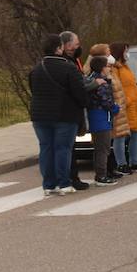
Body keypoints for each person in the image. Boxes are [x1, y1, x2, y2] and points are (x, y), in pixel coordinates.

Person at [27, 34, 88, 196]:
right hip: (64, 115)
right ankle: (64, 183)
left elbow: (33, 90)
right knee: (63, 149)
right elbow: (80, 93)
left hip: (39, 116)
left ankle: (48, 185)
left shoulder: (36, 68)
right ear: (59, 49)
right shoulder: (69, 68)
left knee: (46, 148)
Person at [58, 31, 93, 192]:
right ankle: (70, 178)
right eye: (76, 43)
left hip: (69, 109)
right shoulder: (65, 63)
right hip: (68, 110)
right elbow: (78, 86)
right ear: (67, 45)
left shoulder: (73, 60)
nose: (79, 46)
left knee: (67, 147)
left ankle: (69, 177)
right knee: (67, 147)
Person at [111, 42, 137, 173]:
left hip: (134, 106)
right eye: (126, 51)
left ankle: (135, 162)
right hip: (124, 106)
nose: (128, 54)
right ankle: (121, 164)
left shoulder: (125, 67)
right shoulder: (114, 68)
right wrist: (126, 101)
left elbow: (132, 85)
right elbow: (116, 87)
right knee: (120, 136)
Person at [85, 55, 120, 186]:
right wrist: (116, 108)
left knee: (98, 147)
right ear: (102, 68)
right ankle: (101, 176)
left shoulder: (90, 79)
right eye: (108, 66)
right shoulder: (102, 83)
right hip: (101, 118)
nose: (109, 68)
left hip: (94, 117)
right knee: (103, 148)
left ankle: (101, 173)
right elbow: (107, 102)